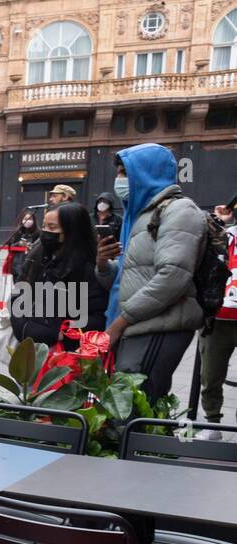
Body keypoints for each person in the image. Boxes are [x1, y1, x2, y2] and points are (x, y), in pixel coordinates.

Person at [96, 143, 206, 403]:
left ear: (146, 173)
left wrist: (120, 323)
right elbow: (129, 278)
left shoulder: (179, 211)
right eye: (119, 173)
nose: (119, 180)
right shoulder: (140, 214)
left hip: (156, 327)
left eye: (125, 173)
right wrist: (102, 263)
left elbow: (173, 276)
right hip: (134, 326)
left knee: (136, 408)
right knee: (126, 411)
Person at [9, 202, 107, 346]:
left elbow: (96, 316)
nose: (46, 231)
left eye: (52, 227)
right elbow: (18, 295)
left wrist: (61, 335)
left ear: (72, 230)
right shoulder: (37, 254)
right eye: (44, 226)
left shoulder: (88, 266)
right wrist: (24, 328)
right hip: (30, 346)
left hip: (64, 353)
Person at [197, 195, 237, 440]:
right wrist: (218, 220)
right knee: (211, 375)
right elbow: (203, 241)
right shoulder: (227, 233)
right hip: (218, 316)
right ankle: (213, 423)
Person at [5, 209, 42, 277]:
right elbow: (10, 246)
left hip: (31, 264)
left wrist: (31, 246)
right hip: (17, 264)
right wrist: (19, 243)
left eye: (30, 219)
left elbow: (41, 248)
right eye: (25, 219)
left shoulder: (38, 232)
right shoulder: (18, 231)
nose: (27, 221)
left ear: (34, 220)